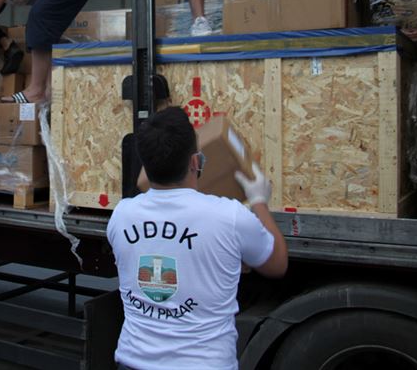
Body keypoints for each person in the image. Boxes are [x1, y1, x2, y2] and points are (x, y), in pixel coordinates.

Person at [107, 107, 288, 368]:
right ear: (195, 162)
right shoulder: (229, 216)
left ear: (145, 165)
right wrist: (259, 201)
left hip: (133, 361)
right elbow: (277, 264)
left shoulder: (121, 215)